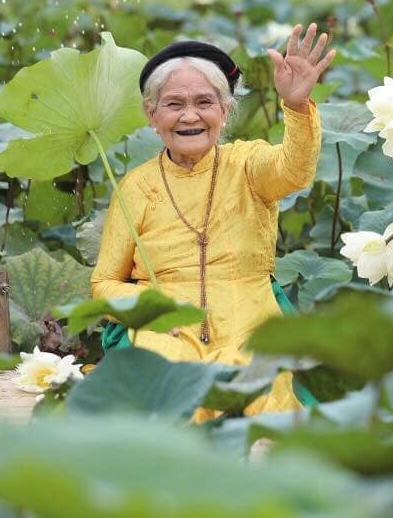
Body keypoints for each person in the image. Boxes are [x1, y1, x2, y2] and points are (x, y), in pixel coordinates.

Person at [91, 23, 335, 420]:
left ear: (225, 111)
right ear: (152, 115)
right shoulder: (135, 186)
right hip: (166, 326)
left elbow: (294, 171)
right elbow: (103, 283)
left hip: (250, 315)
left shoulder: (248, 164)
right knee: (168, 385)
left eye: (205, 102)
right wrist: (149, 306)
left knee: (267, 389)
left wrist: (295, 106)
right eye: (173, 104)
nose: (190, 115)